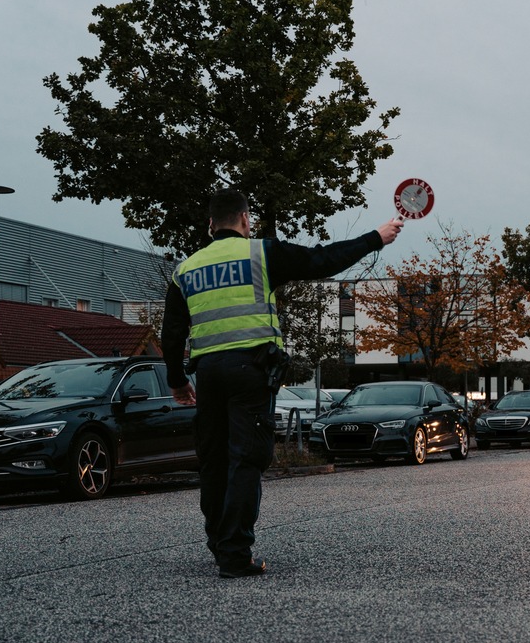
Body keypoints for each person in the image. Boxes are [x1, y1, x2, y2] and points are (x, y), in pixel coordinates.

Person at [162, 189, 402, 578]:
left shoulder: (186, 268)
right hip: (250, 373)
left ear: (210, 225)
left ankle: (218, 542)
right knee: (246, 458)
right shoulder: (261, 253)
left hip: (207, 374)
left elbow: (171, 332)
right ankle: (235, 554)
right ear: (245, 220)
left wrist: (177, 380)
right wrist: (376, 237)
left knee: (214, 460)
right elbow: (323, 259)